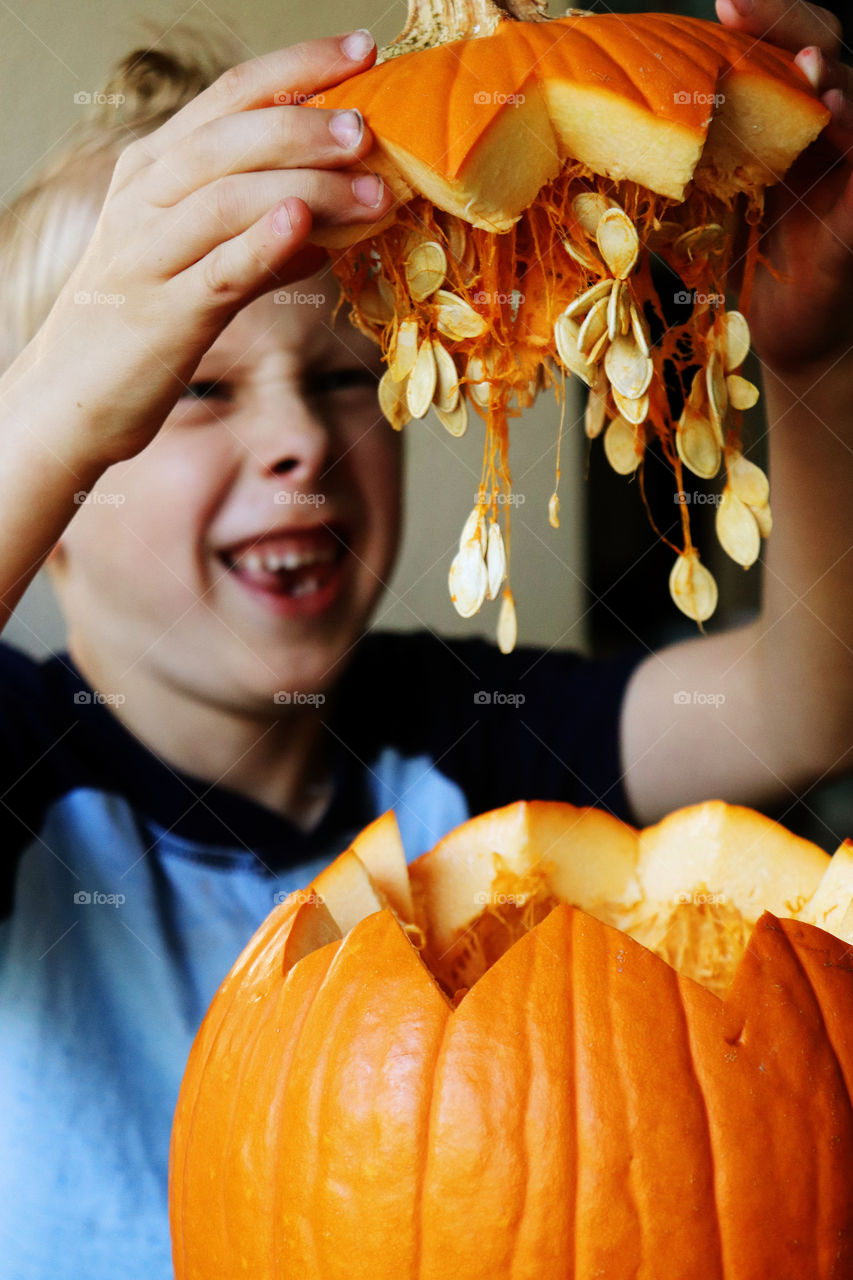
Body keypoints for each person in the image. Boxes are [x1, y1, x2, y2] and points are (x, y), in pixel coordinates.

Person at [0, 1, 849, 1275]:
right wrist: (51, 418)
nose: (298, 441)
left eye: (345, 375)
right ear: (57, 505)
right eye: (187, 389)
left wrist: (816, 363)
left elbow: (805, 703)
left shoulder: (462, 745)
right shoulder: (24, 766)